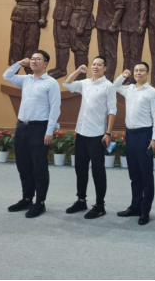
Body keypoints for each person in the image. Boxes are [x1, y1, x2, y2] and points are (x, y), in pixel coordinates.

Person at [3, 51, 61, 218]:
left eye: (38, 59)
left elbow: (55, 109)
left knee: (39, 168)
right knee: (23, 166)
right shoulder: (26, 80)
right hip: (22, 127)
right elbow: (7, 75)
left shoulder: (51, 83)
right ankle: (27, 199)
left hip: (39, 128)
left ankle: (40, 203)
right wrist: (20, 63)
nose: (34, 62)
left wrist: (49, 131)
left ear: (46, 63)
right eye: (33, 59)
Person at [62, 57, 117, 220]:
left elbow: (112, 110)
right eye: (93, 64)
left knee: (97, 171)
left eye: (99, 64)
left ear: (105, 68)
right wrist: (78, 71)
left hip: (98, 135)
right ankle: (81, 200)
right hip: (81, 132)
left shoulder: (108, 86)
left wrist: (108, 133)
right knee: (80, 168)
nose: (95, 67)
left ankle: (100, 205)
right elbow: (66, 84)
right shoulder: (85, 83)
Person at [113, 62, 155, 226]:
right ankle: (135, 206)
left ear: (147, 73)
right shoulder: (129, 89)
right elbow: (114, 86)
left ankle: (145, 210)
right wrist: (123, 76)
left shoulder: (152, 92)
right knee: (134, 174)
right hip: (130, 135)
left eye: (142, 70)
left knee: (146, 175)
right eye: (136, 70)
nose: (138, 73)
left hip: (145, 135)